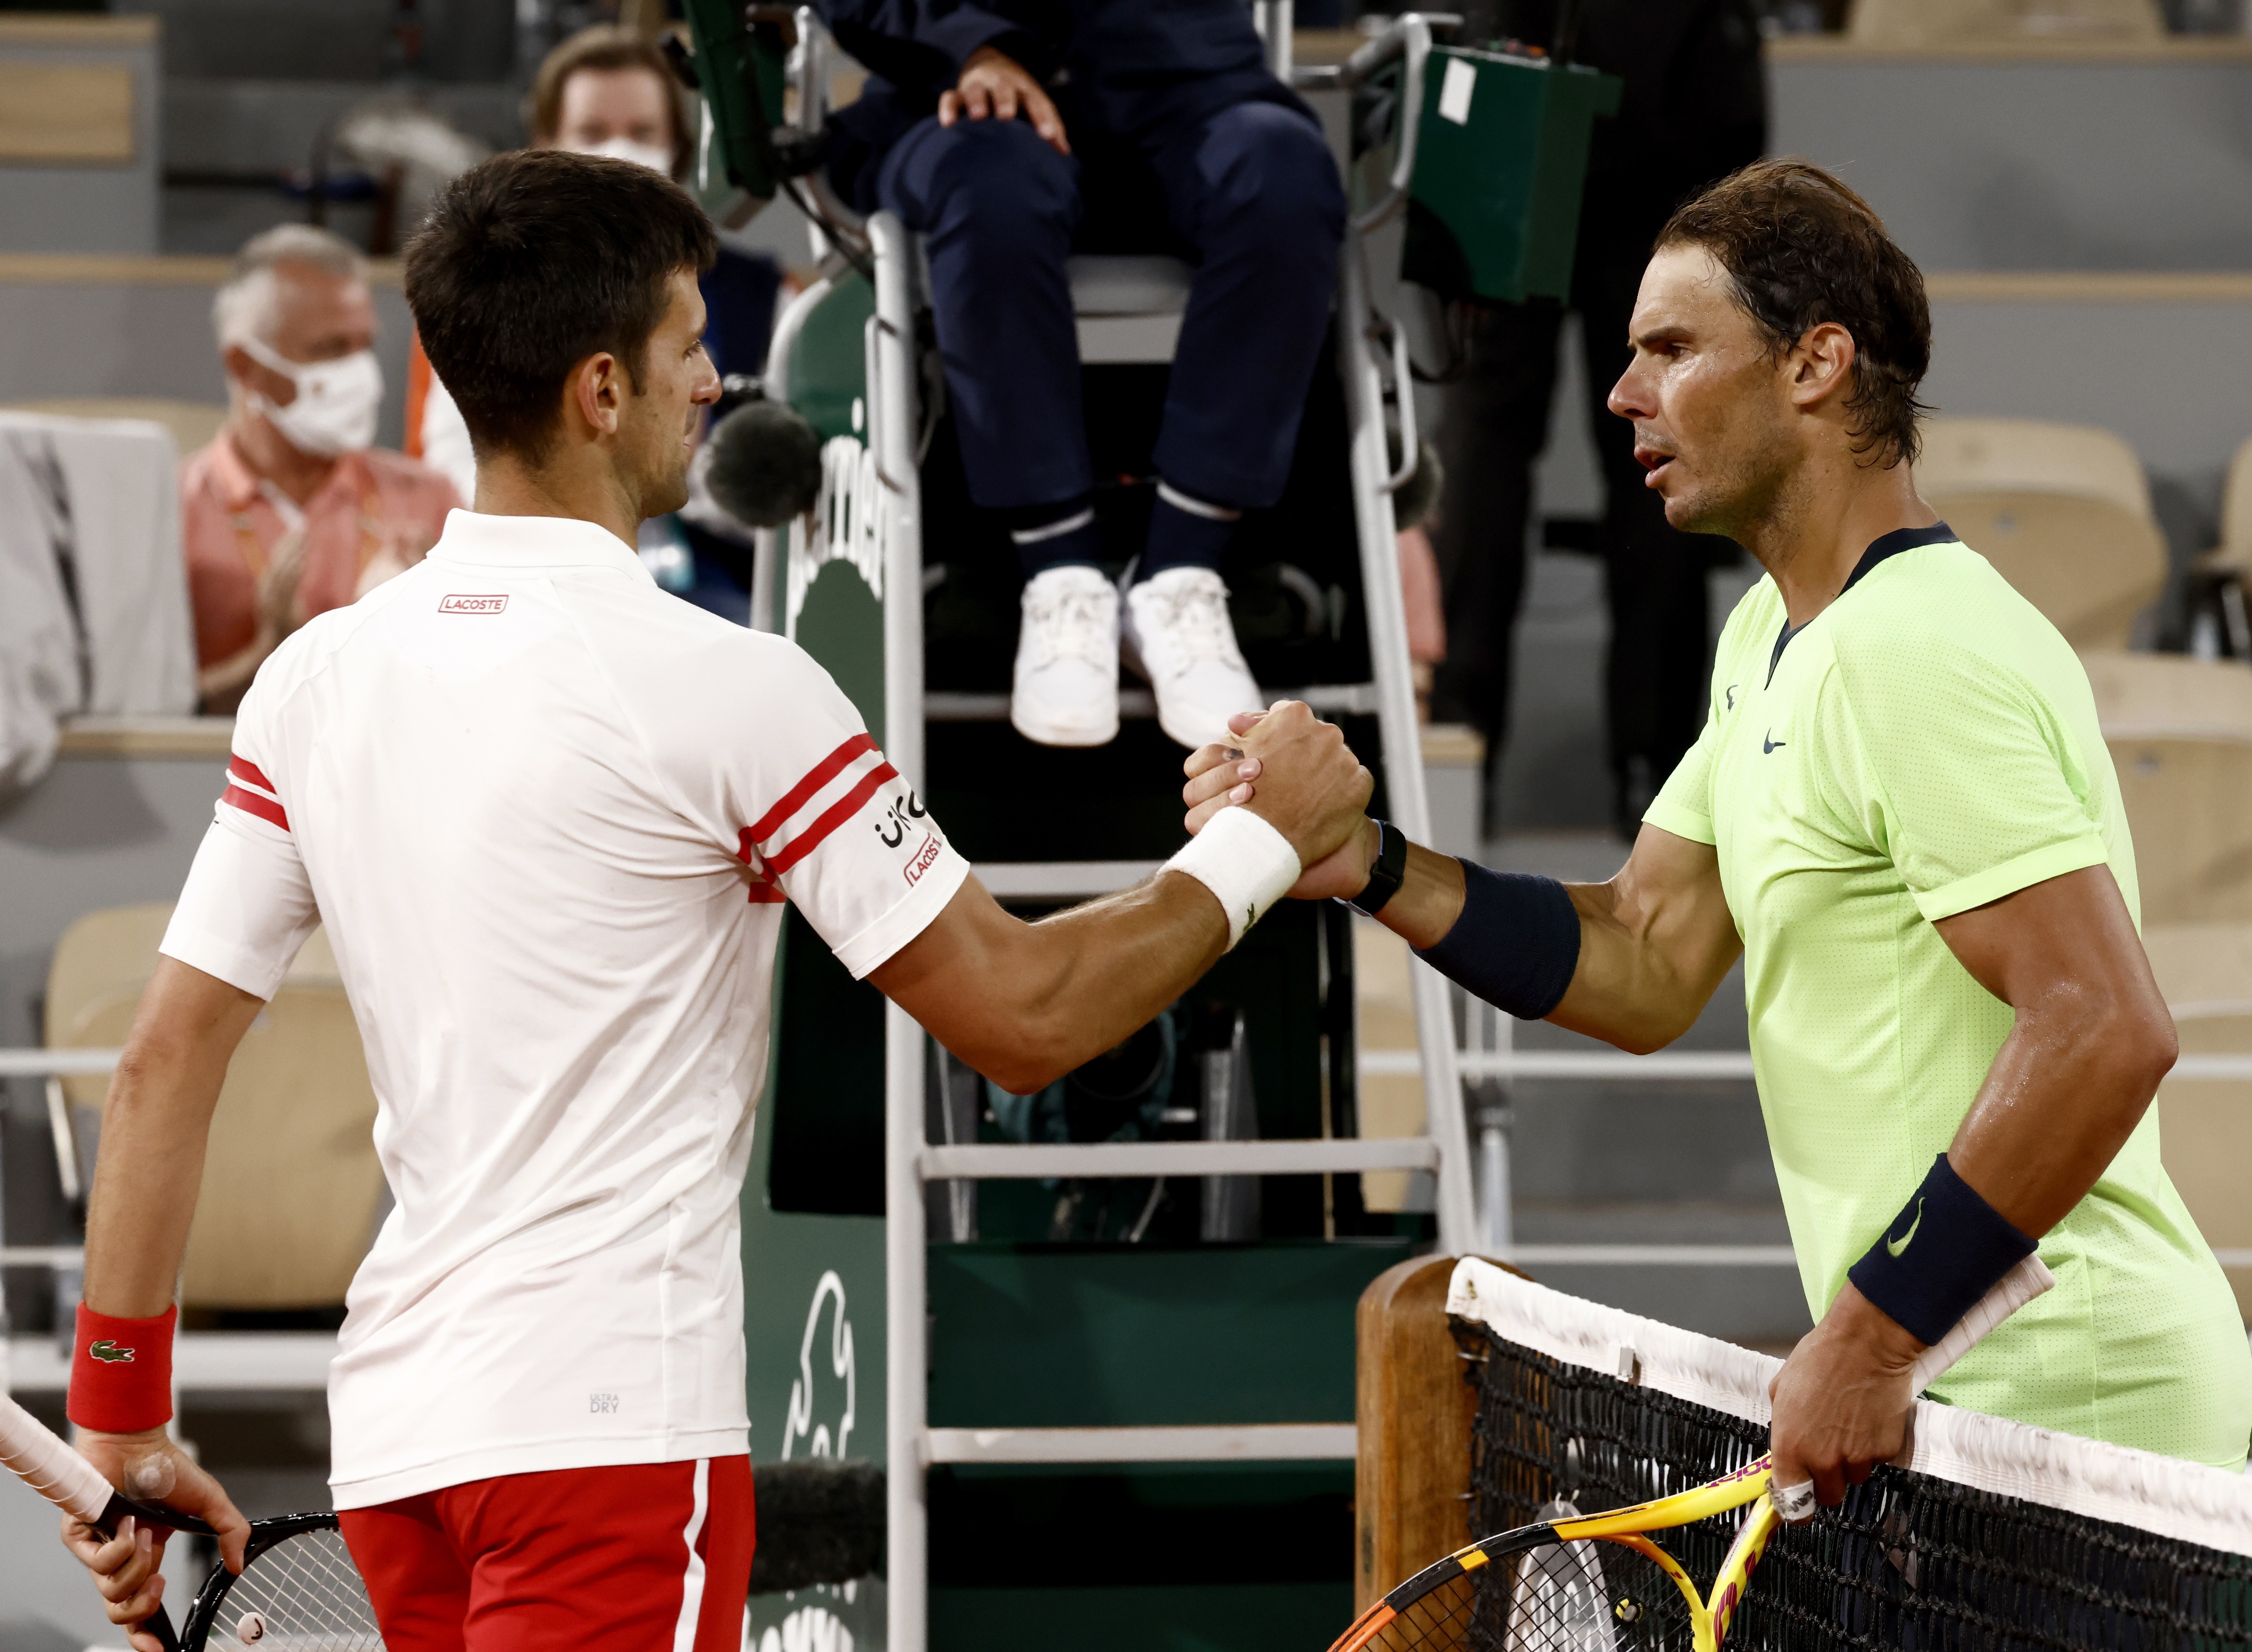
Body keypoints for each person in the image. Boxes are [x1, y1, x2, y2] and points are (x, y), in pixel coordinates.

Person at [60, 149, 1367, 1652]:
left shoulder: (314, 681)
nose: (716, 379)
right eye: (690, 346)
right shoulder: (728, 687)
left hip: (399, 1454)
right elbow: (1021, 1016)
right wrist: (1263, 845)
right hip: (609, 1444)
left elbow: (162, 1067)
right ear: (600, 391)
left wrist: (122, 1417)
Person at [1186, 161, 2252, 1498]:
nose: (1623, 395)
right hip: (1959, 1401)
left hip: (2069, 1407)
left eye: (1672, 350)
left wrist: (1869, 1331)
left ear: (1817, 363)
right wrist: (1371, 860)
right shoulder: (1773, 635)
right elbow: (1644, 952)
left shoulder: (1913, 647)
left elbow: (2104, 1022)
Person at [819, 0, 1348, 749]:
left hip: (1189, 84)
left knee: (1285, 171)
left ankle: (1180, 574)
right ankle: (1059, 573)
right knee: (991, 184)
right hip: (957, 100)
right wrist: (973, 46)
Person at [1427, 0, 1765, 832]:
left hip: (1611, 133)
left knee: (1651, 458)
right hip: (1541, 115)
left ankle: (1641, 770)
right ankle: (1467, 747)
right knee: (1489, 464)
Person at [409, 25, 783, 624]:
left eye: (642, 133)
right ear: (545, 143)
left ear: (680, 147)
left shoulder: (760, 295)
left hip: (709, 585)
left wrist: (689, 462)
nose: (618, 150)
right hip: (525, 579)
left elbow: (779, 491)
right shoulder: (477, 280)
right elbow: (451, 467)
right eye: (592, 132)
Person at [184, 225, 457, 713]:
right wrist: (265, 661)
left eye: (364, 346)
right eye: (332, 349)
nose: (360, 374)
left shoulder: (431, 501)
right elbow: (148, 719)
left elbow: (476, 692)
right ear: (245, 367)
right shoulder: (173, 513)